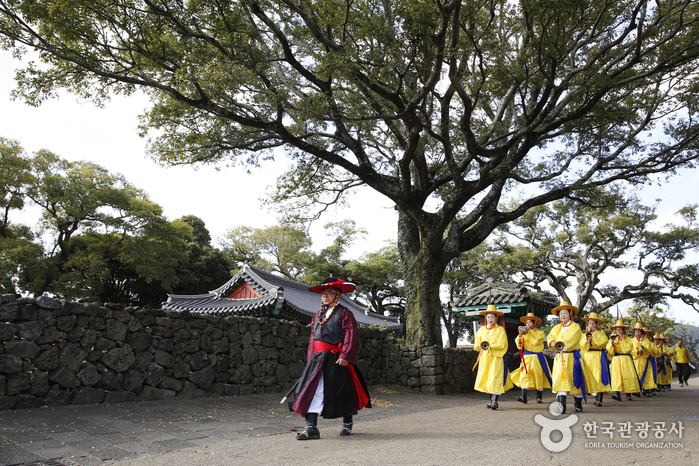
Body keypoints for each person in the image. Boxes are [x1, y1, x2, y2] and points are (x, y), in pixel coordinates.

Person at [283, 277, 371, 440]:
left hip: (335, 358)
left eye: (330, 293)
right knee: (312, 390)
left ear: (338, 295)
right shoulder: (317, 315)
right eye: (324, 293)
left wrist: (345, 355)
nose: (325, 295)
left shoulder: (345, 313)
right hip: (317, 360)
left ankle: (347, 423)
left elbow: (350, 334)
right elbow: (312, 338)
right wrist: (311, 358)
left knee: (341, 391)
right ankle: (311, 428)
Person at [547, 301, 594, 413]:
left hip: (572, 357)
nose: (562, 315)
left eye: (565, 313)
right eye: (561, 313)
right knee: (560, 380)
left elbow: (573, 340)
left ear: (570, 314)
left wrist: (559, 344)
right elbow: (550, 337)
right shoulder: (556, 328)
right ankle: (561, 406)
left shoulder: (576, 327)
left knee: (575, 380)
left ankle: (578, 404)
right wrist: (552, 343)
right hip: (559, 358)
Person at [473, 304, 514, 410]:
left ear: (496, 318)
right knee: (487, 378)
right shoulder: (481, 330)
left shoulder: (500, 330)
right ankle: (491, 401)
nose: (490, 319)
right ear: (485, 318)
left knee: (495, 377)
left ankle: (494, 401)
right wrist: (479, 346)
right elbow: (477, 344)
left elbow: (503, 344)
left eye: (492, 317)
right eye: (488, 317)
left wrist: (492, 346)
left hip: (496, 357)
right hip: (485, 358)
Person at [511, 311, 552, 404]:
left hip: (537, 357)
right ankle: (524, 396)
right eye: (527, 323)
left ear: (535, 323)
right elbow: (519, 344)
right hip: (527, 357)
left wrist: (528, 332)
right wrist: (520, 335)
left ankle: (539, 397)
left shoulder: (540, 333)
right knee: (525, 376)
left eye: (530, 322)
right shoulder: (524, 333)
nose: (528, 324)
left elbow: (536, 341)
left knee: (539, 376)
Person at [580, 312, 611, 407]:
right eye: (590, 323)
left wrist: (594, 335)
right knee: (590, 376)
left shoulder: (601, 334)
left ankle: (599, 399)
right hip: (588, 356)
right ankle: (594, 396)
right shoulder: (584, 334)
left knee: (599, 376)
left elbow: (602, 343)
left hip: (598, 356)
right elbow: (582, 346)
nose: (591, 325)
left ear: (597, 325)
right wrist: (586, 338)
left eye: (593, 323)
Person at [606, 319, 641, 401]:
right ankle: (617, 394)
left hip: (626, 359)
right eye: (617, 329)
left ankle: (628, 394)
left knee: (627, 376)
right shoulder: (613, 338)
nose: (618, 331)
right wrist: (611, 344)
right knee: (616, 376)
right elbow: (609, 349)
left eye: (620, 329)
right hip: (616, 359)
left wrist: (622, 339)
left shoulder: (628, 339)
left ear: (623, 330)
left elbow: (628, 349)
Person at [631, 322, 654, 397]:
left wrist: (644, 348)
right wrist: (636, 351)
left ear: (642, 333)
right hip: (635, 360)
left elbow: (650, 350)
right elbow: (629, 350)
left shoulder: (646, 341)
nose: (637, 333)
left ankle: (646, 390)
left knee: (646, 374)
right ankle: (636, 390)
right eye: (636, 331)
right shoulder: (631, 341)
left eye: (639, 332)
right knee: (635, 374)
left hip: (644, 359)